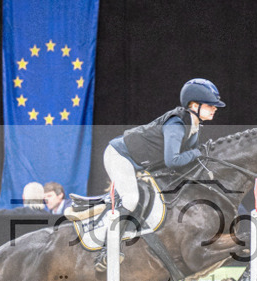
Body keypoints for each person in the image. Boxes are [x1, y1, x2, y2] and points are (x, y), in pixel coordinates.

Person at [95, 78, 224, 270]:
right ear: (194, 105)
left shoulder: (194, 126)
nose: (215, 109)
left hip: (139, 164)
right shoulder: (176, 124)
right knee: (130, 199)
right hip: (119, 156)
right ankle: (107, 250)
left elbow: (185, 163)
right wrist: (198, 152)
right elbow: (173, 160)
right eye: (210, 105)